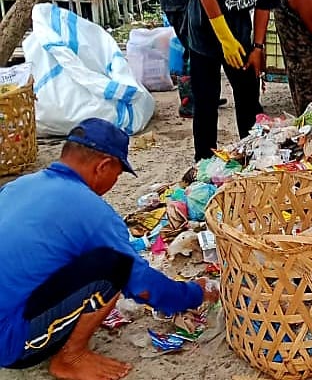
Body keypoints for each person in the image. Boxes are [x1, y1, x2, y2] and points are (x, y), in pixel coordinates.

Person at [0, 118, 219, 379]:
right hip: (11, 343)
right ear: (103, 166)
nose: (115, 180)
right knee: (114, 267)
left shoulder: (17, 187)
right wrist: (195, 293)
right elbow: (142, 285)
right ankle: (70, 358)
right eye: (117, 173)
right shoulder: (91, 210)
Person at [187, 0, 298, 161]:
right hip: (205, 32)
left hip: (239, 32)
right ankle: (204, 162)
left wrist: (257, 47)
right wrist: (224, 39)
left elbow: (263, 5)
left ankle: (253, 156)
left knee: (248, 97)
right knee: (206, 102)